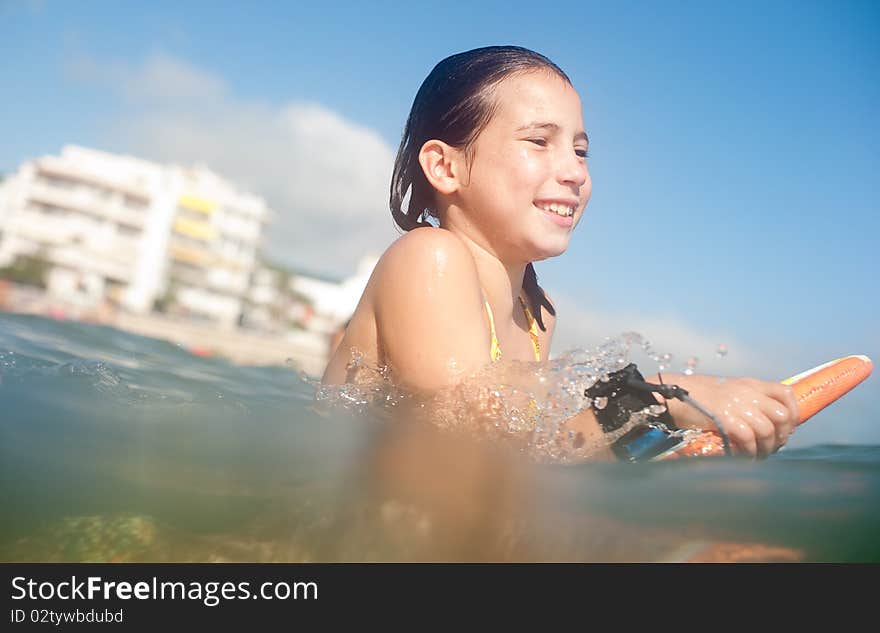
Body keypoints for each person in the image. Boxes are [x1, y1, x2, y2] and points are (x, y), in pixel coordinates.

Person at [321, 45, 799, 461]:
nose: (574, 171)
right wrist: (669, 393)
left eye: (581, 150)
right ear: (445, 167)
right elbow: (463, 428)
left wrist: (663, 428)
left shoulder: (537, 317)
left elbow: (531, 458)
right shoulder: (428, 257)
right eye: (539, 141)